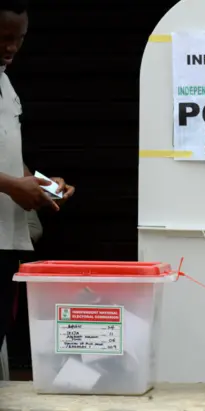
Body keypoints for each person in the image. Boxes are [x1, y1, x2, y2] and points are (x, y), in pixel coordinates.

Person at [0, 0, 75, 354]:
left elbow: (10, 158)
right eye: (3, 37)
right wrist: (12, 186)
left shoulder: (6, 84)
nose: (12, 46)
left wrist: (43, 185)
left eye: (19, 37)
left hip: (7, 238)